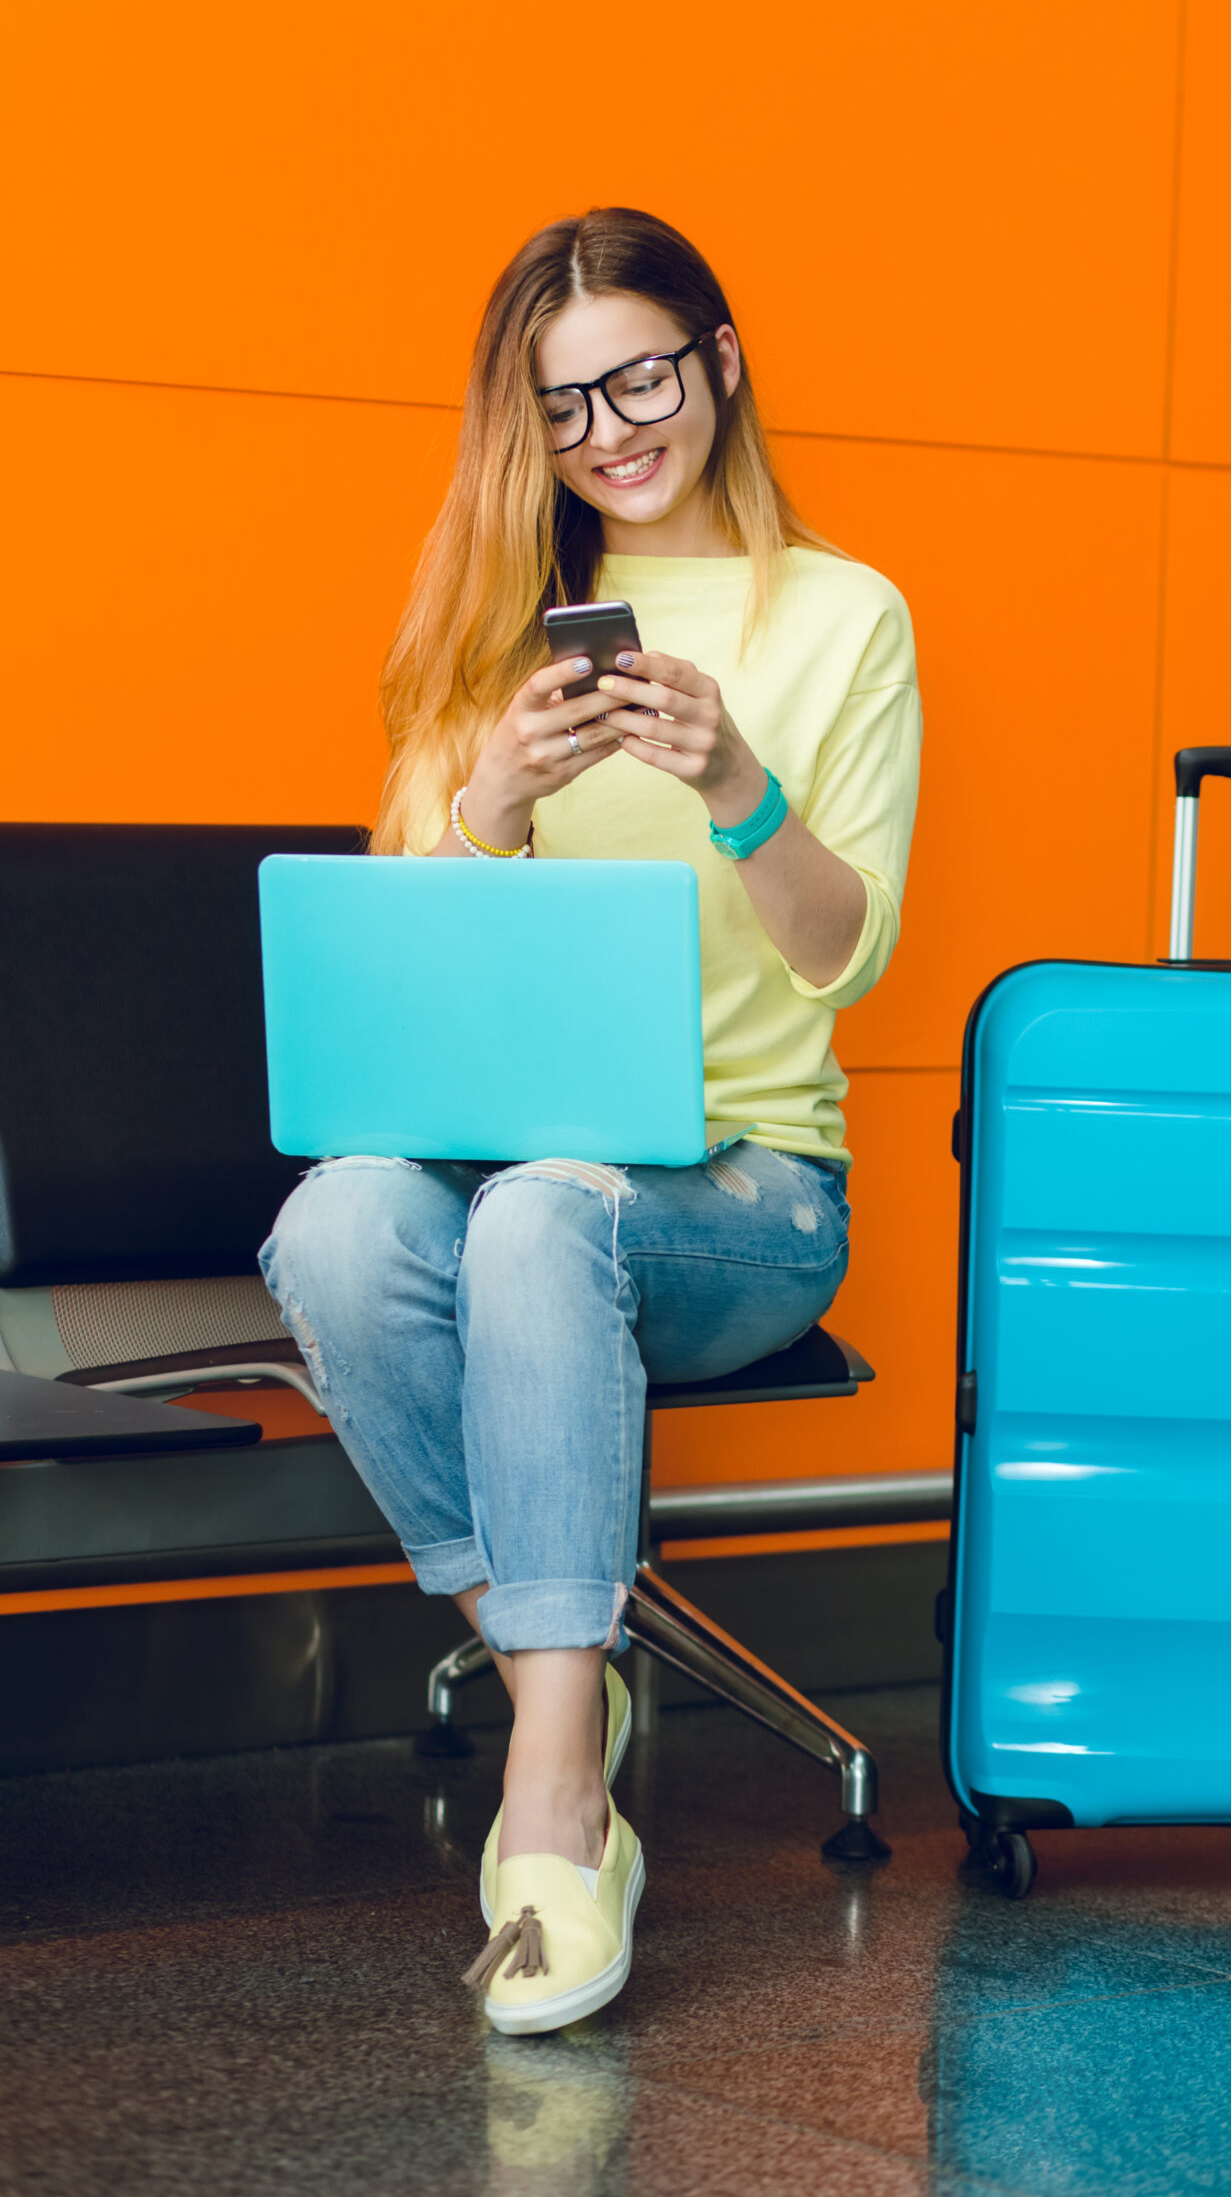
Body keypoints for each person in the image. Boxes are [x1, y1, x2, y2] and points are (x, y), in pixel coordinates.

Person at [260, 208, 920, 2033]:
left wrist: (732, 783)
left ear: (722, 359)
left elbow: (845, 956)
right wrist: (487, 797)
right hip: (508, 1180)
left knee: (546, 1208)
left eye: (640, 375)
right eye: (563, 404)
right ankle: (567, 1674)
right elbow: (398, 975)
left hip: (747, 1195)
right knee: (335, 1221)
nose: (612, 429)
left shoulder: (842, 615)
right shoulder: (487, 621)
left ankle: (555, 1798)